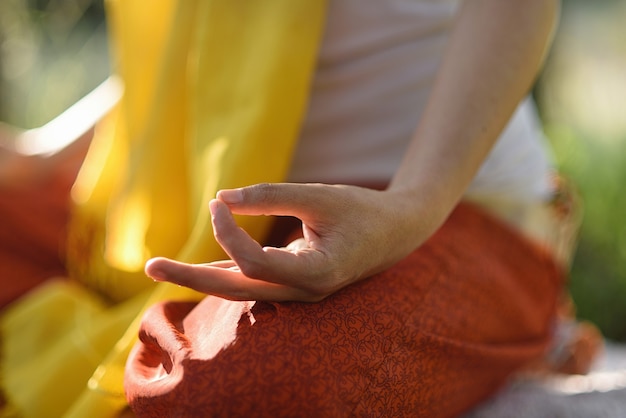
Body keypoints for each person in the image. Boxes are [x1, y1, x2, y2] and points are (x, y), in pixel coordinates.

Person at [0, 0, 601, 416]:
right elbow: (208, 51)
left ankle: (521, 315)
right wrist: (41, 154)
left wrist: (409, 210)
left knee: (240, 387)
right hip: (218, 198)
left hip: (437, 205)